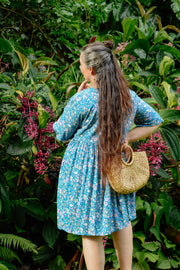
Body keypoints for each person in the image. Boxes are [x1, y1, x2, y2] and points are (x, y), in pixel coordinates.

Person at [53, 41, 163, 270]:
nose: (81, 68)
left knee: (90, 229)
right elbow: (154, 121)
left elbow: (61, 133)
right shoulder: (127, 96)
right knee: (120, 220)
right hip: (115, 167)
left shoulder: (83, 99)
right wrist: (126, 138)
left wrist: (76, 98)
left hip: (85, 171)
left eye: (81, 64)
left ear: (91, 70)